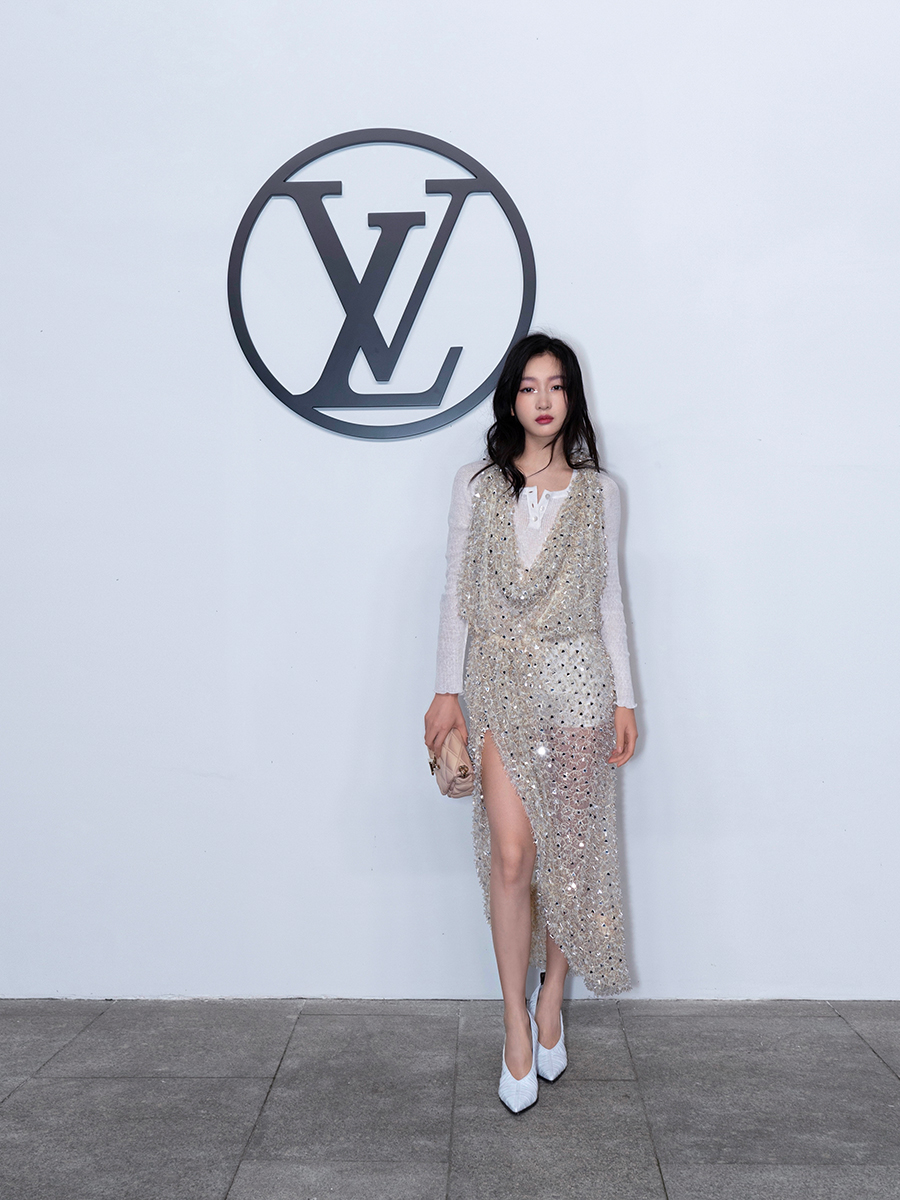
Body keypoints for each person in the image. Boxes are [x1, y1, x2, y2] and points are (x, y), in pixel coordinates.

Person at [424, 333, 638, 1113]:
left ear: (571, 398)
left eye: (556, 386)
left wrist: (625, 701)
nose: (543, 400)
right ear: (510, 399)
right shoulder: (476, 485)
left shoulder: (599, 492)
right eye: (528, 386)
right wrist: (445, 691)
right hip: (498, 684)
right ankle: (514, 1021)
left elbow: (608, 597)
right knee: (513, 855)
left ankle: (551, 1002)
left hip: (578, 684)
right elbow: (455, 593)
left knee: (568, 858)